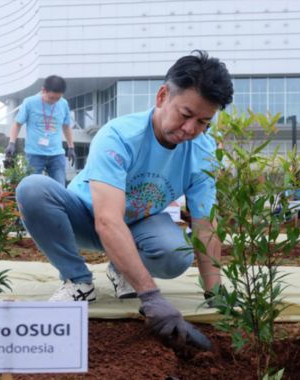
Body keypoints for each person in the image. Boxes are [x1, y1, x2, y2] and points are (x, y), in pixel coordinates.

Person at [16, 51, 233, 351]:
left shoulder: (203, 152)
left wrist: (216, 295)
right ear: (162, 96)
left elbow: (205, 226)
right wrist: (152, 297)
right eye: (185, 115)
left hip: (140, 224)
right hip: (86, 218)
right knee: (32, 189)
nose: (190, 130)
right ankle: (77, 280)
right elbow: (106, 220)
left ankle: (122, 268)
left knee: (177, 253)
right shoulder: (119, 135)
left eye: (203, 122)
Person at [5, 75, 75, 186]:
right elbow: (17, 124)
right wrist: (11, 143)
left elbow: (66, 126)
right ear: (43, 91)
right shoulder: (29, 102)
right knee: (31, 188)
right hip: (34, 154)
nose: (54, 101)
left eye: (58, 98)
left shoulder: (63, 104)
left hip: (56, 154)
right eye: (51, 98)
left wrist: (71, 147)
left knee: (60, 189)